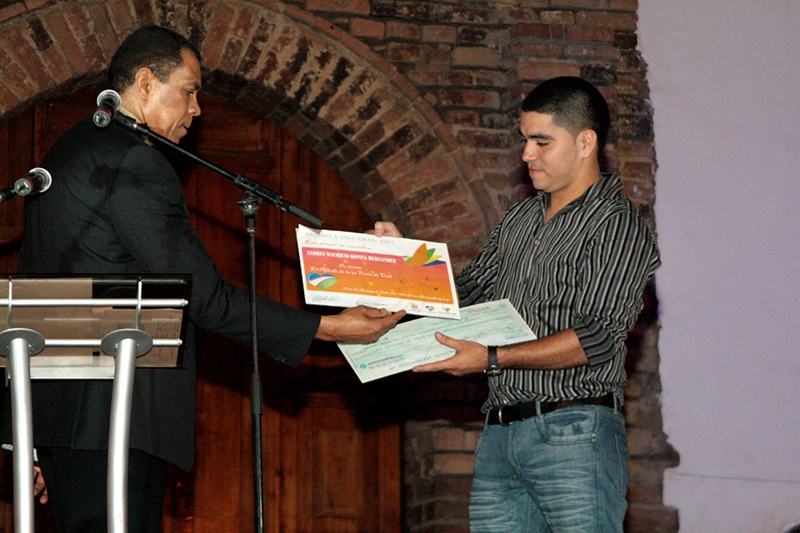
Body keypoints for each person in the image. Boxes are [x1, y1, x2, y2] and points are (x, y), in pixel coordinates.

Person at [0, 25, 403, 533]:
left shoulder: (68, 151)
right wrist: (329, 328)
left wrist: (28, 437)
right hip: (113, 417)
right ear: (145, 83)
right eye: (189, 92)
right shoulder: (133, 160)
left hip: (57, 419)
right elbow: (205, 297)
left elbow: (36, 283)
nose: (196, 110)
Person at [372, 76, 660, 532]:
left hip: (574, 431)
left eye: (542, 142)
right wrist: (402, 262)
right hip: (500, 433)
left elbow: (599, 338)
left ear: (585, 143)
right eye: (524, 140)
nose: (527, 154)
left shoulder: (616, 225)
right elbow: (468, 292)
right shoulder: (521, 217)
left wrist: (489, 358)